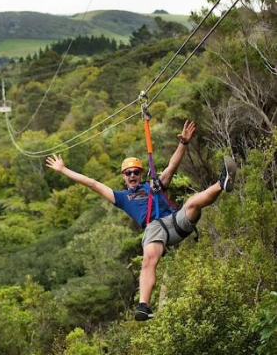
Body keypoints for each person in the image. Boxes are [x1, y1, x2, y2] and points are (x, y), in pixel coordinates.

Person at [46, 120, 237, 321]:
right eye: (128, 173)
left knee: (192, 204)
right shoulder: (122, 197)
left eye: (136, 172)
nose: (132, 175)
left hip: (174, 220)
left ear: (140, 174)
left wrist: (183, 144)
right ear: (123, 176)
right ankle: (144, 306)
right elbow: (93, 184)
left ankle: (221, 183)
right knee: (148, 260)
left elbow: (172, 167)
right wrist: (63, 170)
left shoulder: (153, 185)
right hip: (154, 229)